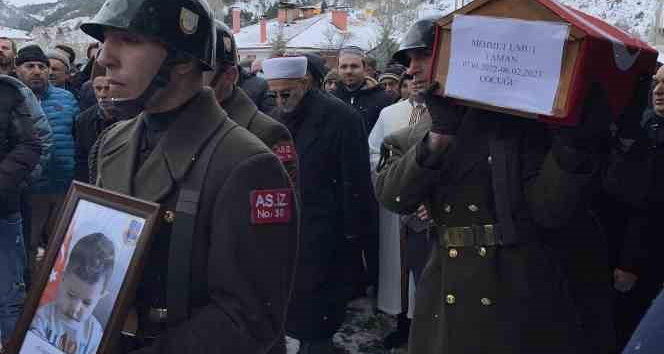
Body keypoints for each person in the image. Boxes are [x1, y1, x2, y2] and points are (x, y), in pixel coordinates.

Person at [375, 17, 613, 354]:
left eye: (422, 57)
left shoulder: (521, 127)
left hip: (517, 288)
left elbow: (550, 211)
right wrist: (440, 136)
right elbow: (393, 197)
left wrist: (573, 146)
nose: (411, 70)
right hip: (447, 287)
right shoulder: (414, 134)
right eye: (408, 62)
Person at [80, 0, 298, 352]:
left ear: (181, 60)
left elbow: (247, 319)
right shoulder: (114, 141)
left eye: (129, 40)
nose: (104, 58)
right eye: (106, 40)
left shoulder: (246, 164)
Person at [262, 56, 373, 353]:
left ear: (305, 83)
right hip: (285, 234)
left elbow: (357, 184)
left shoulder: (342, 118)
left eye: (287, 93)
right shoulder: (272, 118)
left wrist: (356, 242)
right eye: (274, 94)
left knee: (316, 321)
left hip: (326, 238)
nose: (280, 100)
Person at [603, 65, 664, 349]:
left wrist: (631, 262)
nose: (658, 92)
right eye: (656, 83)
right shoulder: (645, 126)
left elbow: (651, 207)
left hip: (647, 261)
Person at [368, 83, 430, 350]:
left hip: (431, 209)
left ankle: (425, 328)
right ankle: (403, 323)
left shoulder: (448, 114)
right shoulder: (389, 114)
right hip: (396, 206)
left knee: (427, 272)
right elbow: (373, 153)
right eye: (410, 77)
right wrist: (396, 176)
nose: (415, 81)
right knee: (400, 267)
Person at [15, 44, 79, 279]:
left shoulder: (67, 98)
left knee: (62, 244)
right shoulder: (12, 100)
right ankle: (29, 292)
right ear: (17, 69)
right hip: (30, 190)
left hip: (65, 187)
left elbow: (77, 136)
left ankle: (54, 293)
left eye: (42, 66)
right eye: (30, 66)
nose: (37, 71)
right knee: (28, 245)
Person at [207, 21, 297, 186]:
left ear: (229, 76)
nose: (186, 81)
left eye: (201, 71)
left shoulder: (269, 134)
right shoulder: (178, 121)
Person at [0, 74, 47, 348]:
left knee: (8, 295)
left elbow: (31, 143)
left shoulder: (8, 92)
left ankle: (14, 344)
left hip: (3, 211)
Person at [30, 232, 115, 354]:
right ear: (62, 278)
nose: (75, 309)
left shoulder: (95, 334)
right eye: (71, 294)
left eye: (86, 302)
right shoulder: (43, 318)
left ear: (101, 297)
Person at [333, 46, 397, 132]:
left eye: (354, 66)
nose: (348, 71)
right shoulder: (330, 99)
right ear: (338, 69)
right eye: (344, 67)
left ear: (364, 68)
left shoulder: (383, 99)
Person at [74, 75, 118, 182]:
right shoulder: (83, 120)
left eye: (108, 88)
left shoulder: (133, 116)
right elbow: (82, 160)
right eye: (98, 89)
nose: (103, 94)